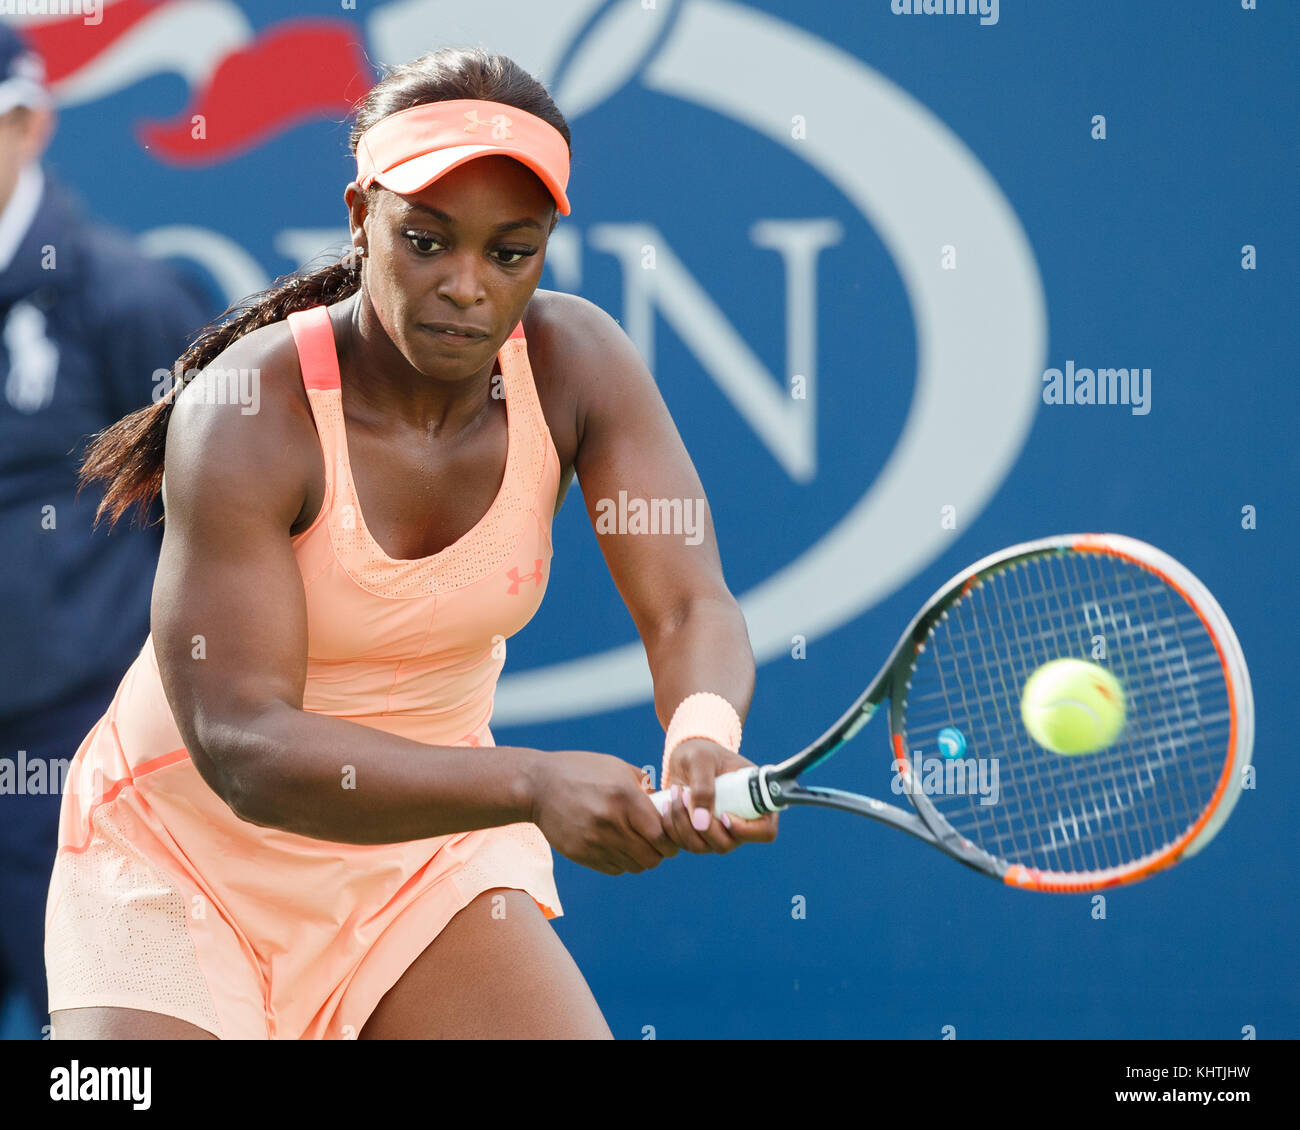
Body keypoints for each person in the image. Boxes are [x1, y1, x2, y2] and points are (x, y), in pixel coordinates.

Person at [45, 46, 776, 1041]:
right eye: (427, 241)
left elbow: (689, 602)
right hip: (179, 857)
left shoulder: (578, 364)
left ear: (546, 247)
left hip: (423, 847)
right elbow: (243, 744)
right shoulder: (247, 409)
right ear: (361, 216)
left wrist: (701, 730)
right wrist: (529, 781)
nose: (467, 286)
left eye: (509, 252)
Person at [0, 23, 209, 1038]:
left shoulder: (125, 297)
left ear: (29, 122)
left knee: (101, 1057)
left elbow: (222, 529)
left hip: (80, 770)